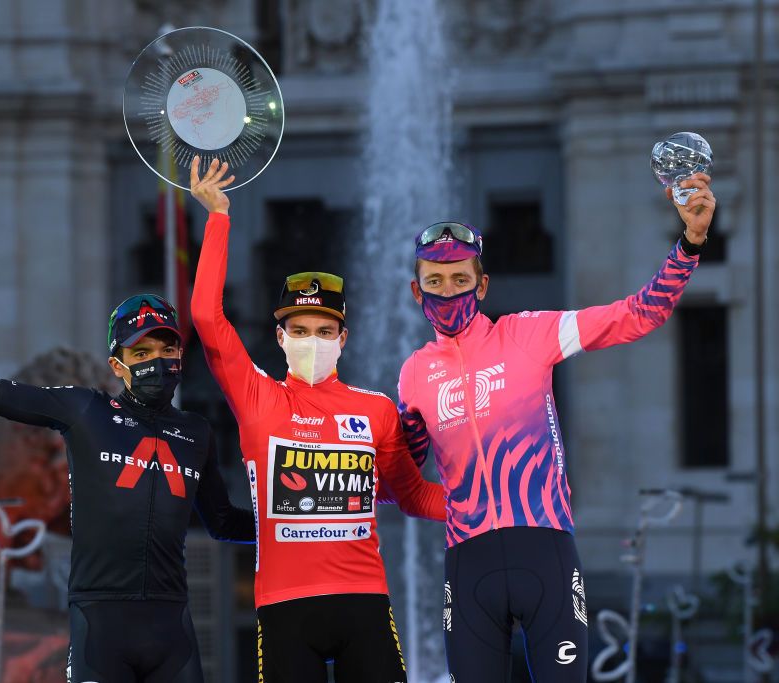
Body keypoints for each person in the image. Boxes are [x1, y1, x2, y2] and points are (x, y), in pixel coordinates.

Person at [397, 173, 716, 680]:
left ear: (482, 285)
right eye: (434, 281)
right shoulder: (414, 373)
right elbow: (402, 480)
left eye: (460, 279)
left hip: (545, 551)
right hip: (469, 565)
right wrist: (455, 503)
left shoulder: (529, 333)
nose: (447, 290)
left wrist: (690, 241)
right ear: (417, 291)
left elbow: (639, 314)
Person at [0, 252, 254, 683]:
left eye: (167, 347)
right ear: (117, 365)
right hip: (100, 627)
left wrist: (309, 523)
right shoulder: (85, 409)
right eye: (142, 351)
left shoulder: (198, 432)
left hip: (172, 626)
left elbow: (223, 522)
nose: (157, 360)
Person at [189, 157, 447, 683]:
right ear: (280, 337)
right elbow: (205, 318)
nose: (312, 340)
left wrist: (496, 505)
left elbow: (413, 495)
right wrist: (218, 217)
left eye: (324, 330)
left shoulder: (375, 410)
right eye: (299, 329)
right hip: (285, 610)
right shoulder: (257, 396)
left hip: (365, 602)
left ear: (342, 339)